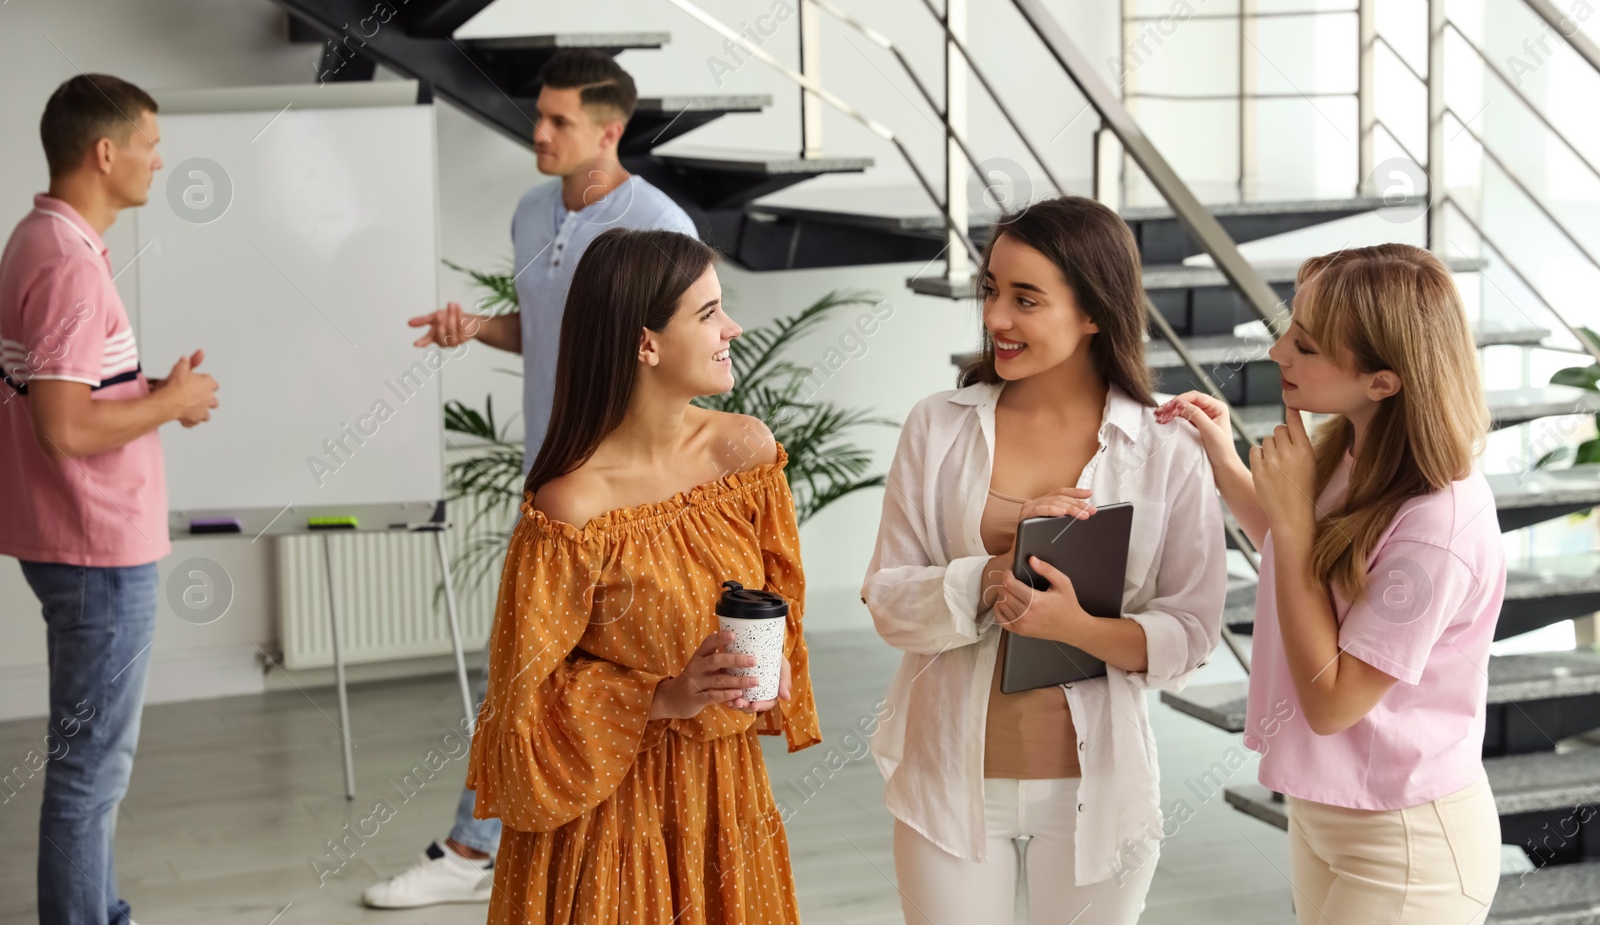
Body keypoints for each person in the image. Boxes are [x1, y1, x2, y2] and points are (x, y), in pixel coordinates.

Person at [366, 49, 699, 907]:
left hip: (620, 494)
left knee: (555, 669)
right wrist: (477, 327)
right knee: (533, 667)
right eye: (539, 116)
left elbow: (675, 360)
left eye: (559, 122)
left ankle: (477, 850)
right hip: (548, 480)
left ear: (609, 131)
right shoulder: (529, 210)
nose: (538, 133)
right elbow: (552, 326)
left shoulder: (658, 222)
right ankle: (508, 851)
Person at [861, 196, 1227, 924]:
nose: (996, 316)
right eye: (992, 289)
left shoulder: (1166, 450)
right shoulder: (938, 426)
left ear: (1094, 310)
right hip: (947, 785)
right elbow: (889, 598)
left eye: (1026, 299)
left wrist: (1077, 626)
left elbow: (1190, 635)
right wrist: (984, 576)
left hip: (1098, 795)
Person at [465, 226, 822, 923]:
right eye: (708, 312)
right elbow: (520, 708)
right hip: (605, 810)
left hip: (723, 793)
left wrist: (776, 657)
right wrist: (665, 694)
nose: (732, 327)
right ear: (645, 342)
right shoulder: (571, 506)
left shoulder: (744, 453)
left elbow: (779, 595)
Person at [1157, 243, 1506, 923]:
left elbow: (1334, 702)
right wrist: (1226, 459)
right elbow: (1308, 568)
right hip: (1329, 813)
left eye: (1306, 345)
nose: (1278, 352)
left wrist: (1290, 524)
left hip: (1407, 840)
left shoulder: (1437, 523)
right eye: (1288, 331)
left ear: (1383, 379)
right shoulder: (1355, 448)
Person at [0, 74, 218, 925]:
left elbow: (67, 393)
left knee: (91, 761)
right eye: (150, 145)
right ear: (104, 152)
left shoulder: (40, 238)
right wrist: (174, 403)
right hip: (97, 550)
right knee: (93, 767)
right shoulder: (68, 266)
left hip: (69, 538)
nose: (159, 162)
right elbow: (61, 426)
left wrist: (146, 388)